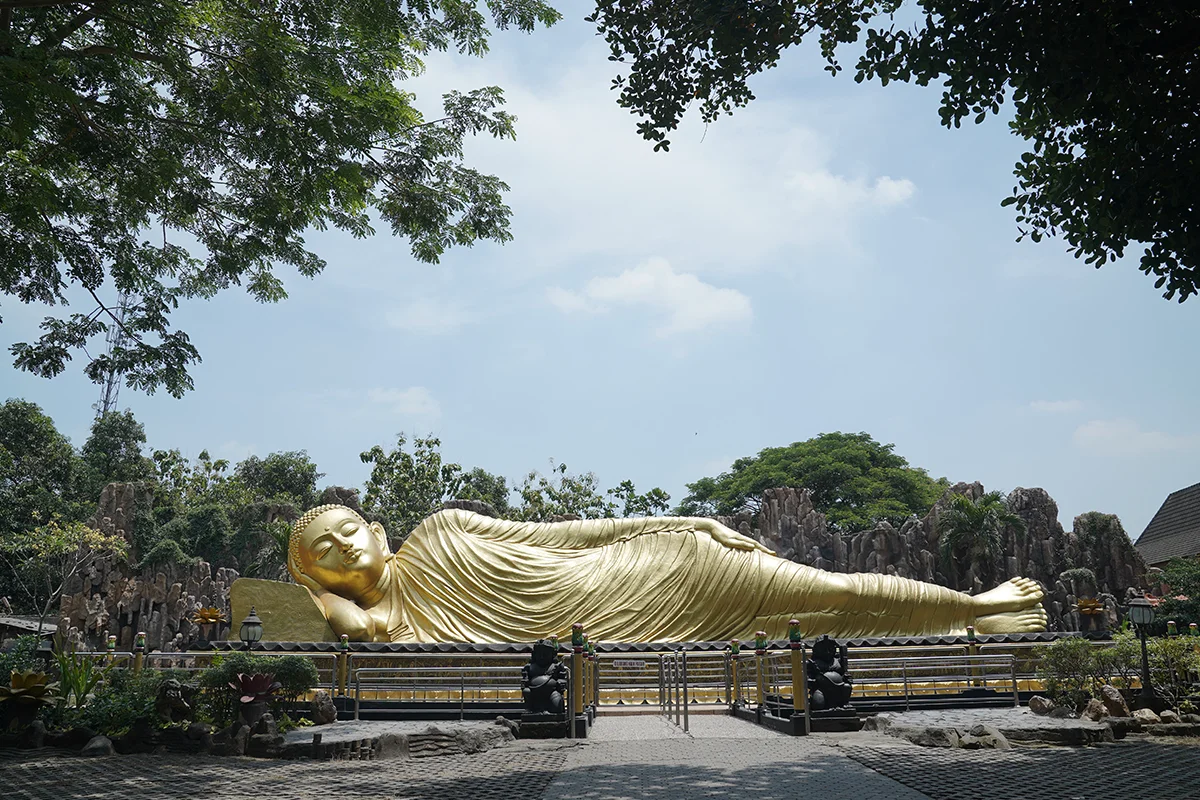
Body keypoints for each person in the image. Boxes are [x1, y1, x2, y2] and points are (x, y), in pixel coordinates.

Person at [285, 504, 1047, 643]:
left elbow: (563, 533)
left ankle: (974, 606)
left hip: (661, 567)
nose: (344, 549)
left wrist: (685, 523)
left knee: (835, 590)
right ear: (318, 580)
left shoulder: (443, 531)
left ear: (378, 532)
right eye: (324, 555)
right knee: (822, 624)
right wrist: (319, 600)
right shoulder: (386, 624)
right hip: (625, 628)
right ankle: (966, 621)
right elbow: (344, 628)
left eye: (349, 532)